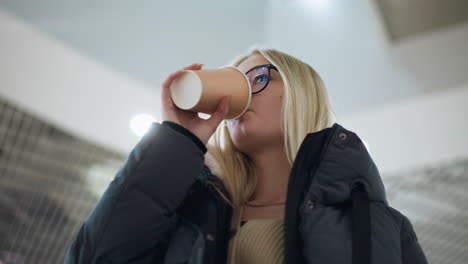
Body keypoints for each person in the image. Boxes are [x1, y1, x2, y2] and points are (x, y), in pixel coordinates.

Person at [64, 47, 428, 264]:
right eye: (235, 81)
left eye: (258, 79)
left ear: (301, 94)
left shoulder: (375, 222)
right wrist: (175, 140)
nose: (241, 94)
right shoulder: (190, 214)